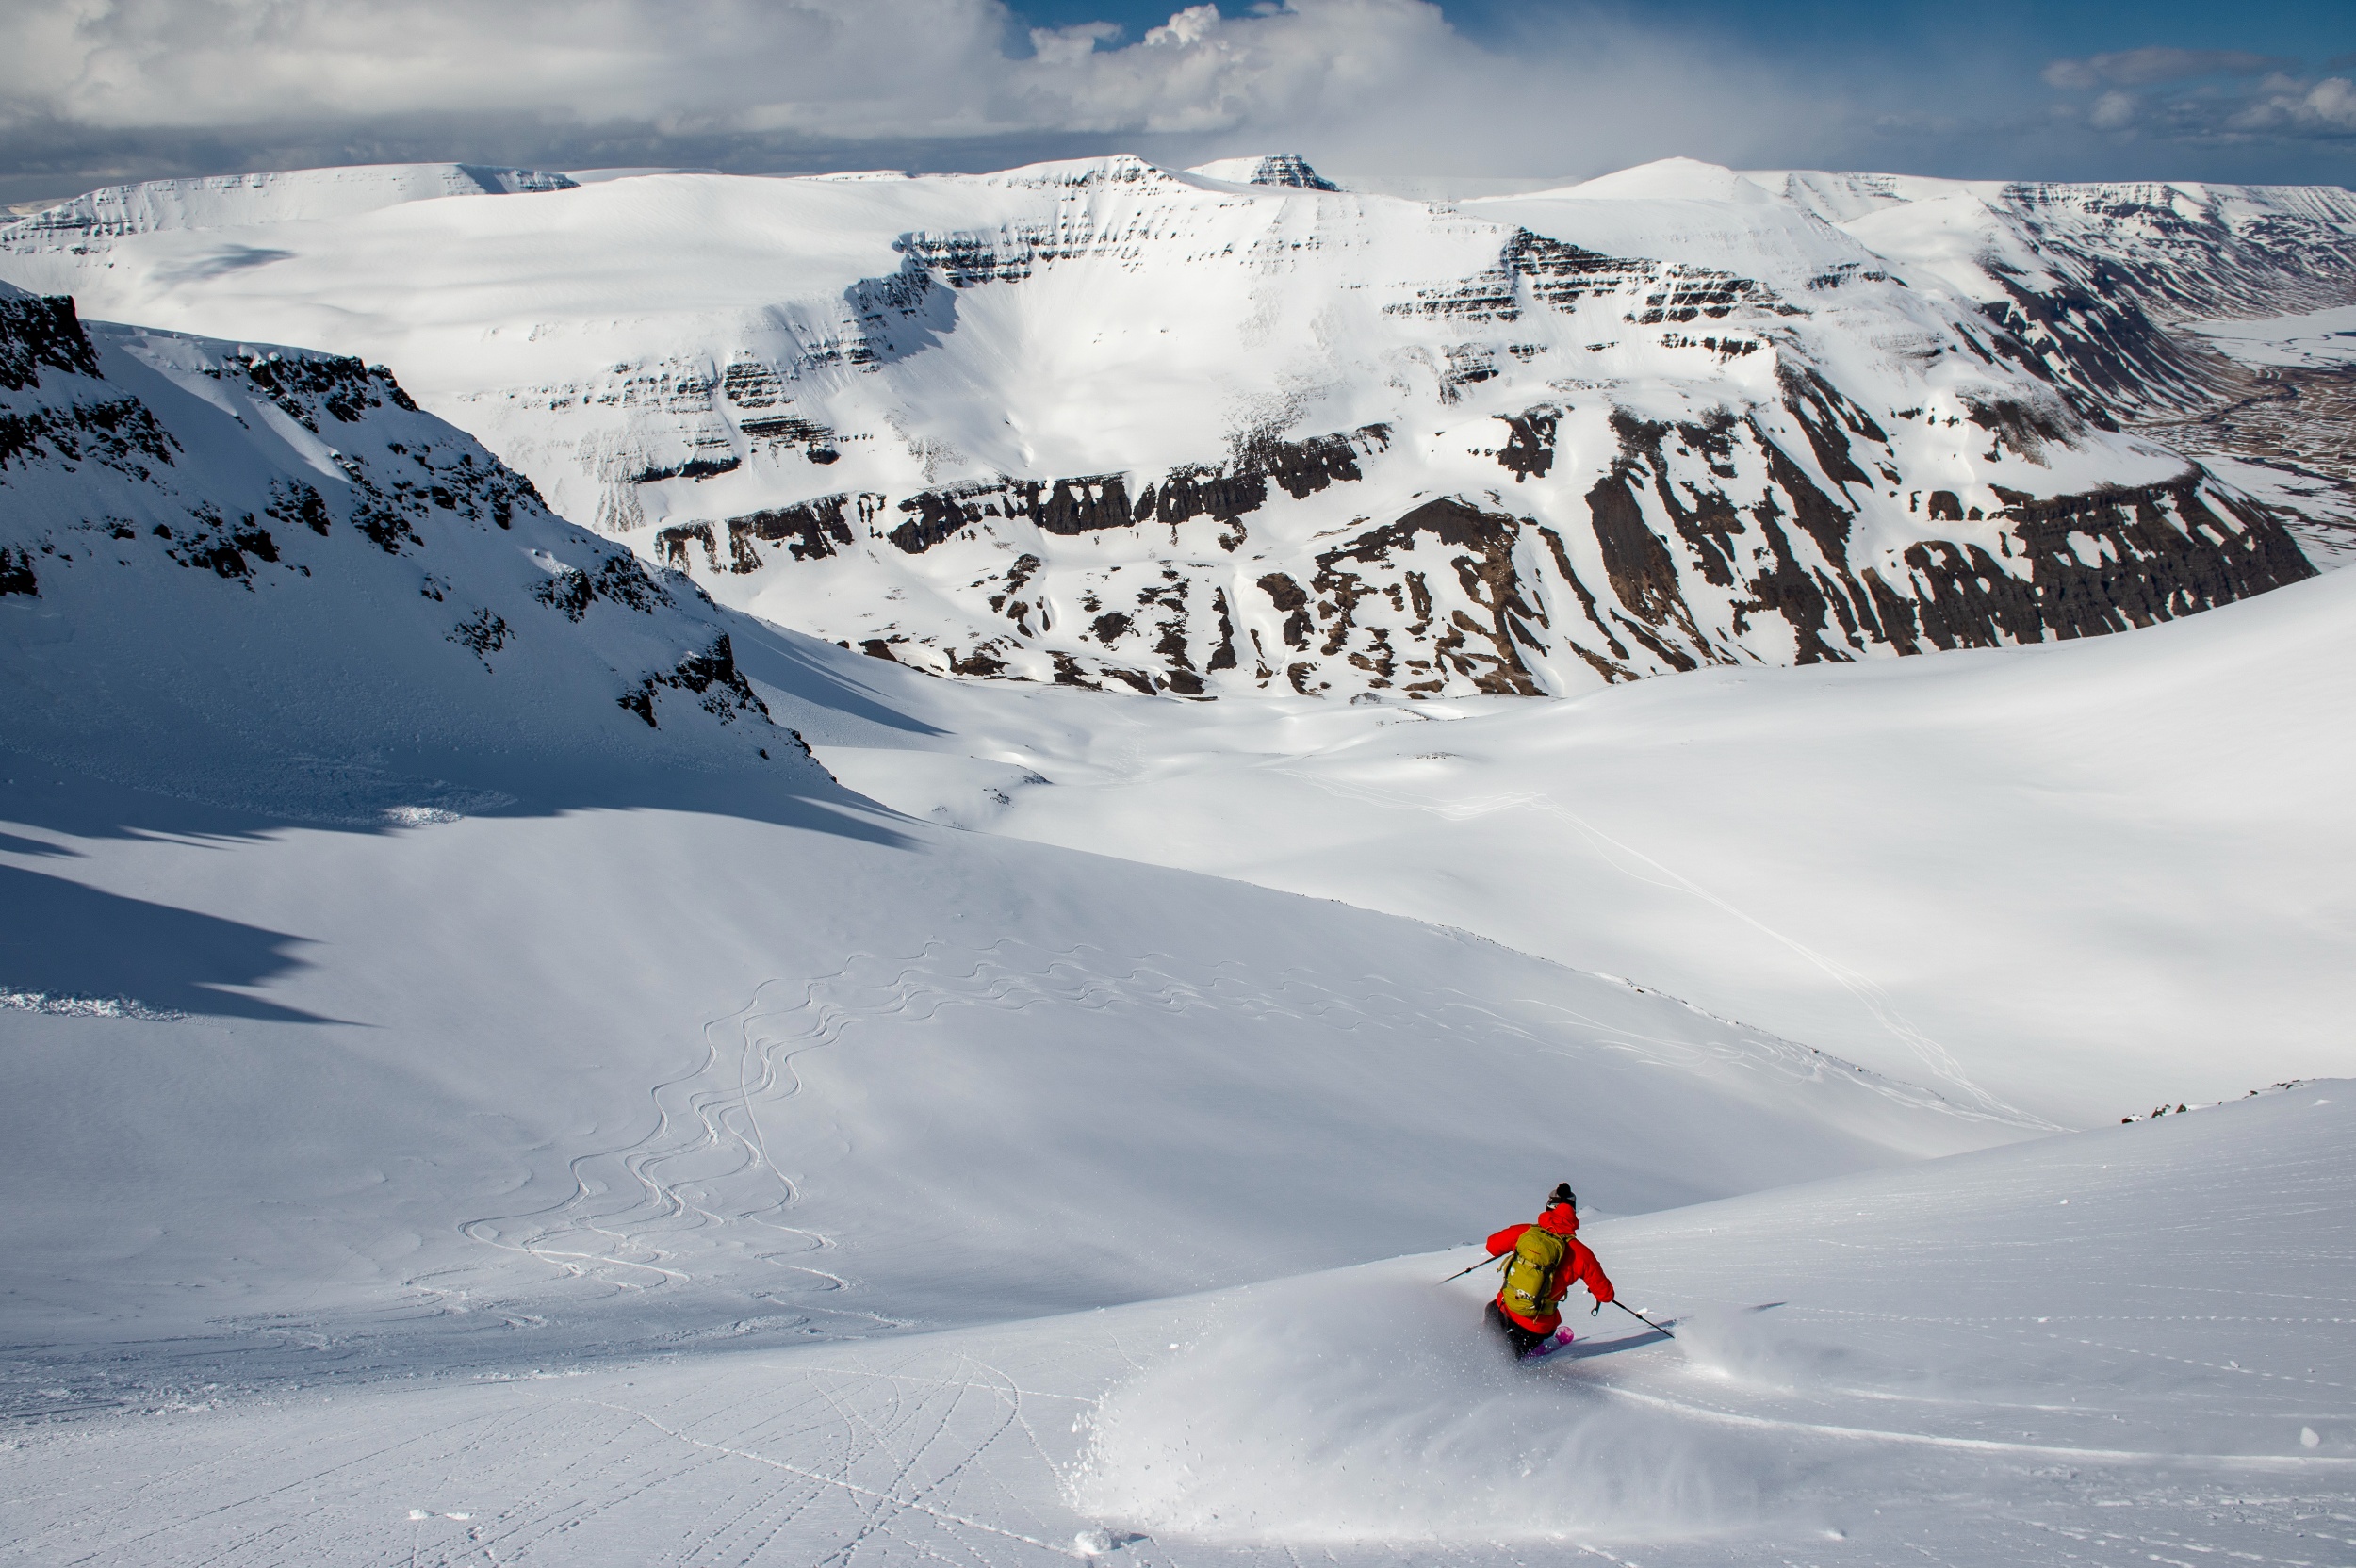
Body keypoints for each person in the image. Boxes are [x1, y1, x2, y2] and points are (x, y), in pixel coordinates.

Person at [1482, 1182, 1615, 1358]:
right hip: (1536, 1327)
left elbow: (1491, 1245)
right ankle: (1517, 1357)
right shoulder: (1581, 1253)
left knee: (1487, 1331)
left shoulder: (1526, 1232)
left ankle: (1471, 1346)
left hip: (1503, 1308)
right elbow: (1606, 1295)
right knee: (1508, 1358)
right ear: (1573, 1213)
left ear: (1548, 1208)